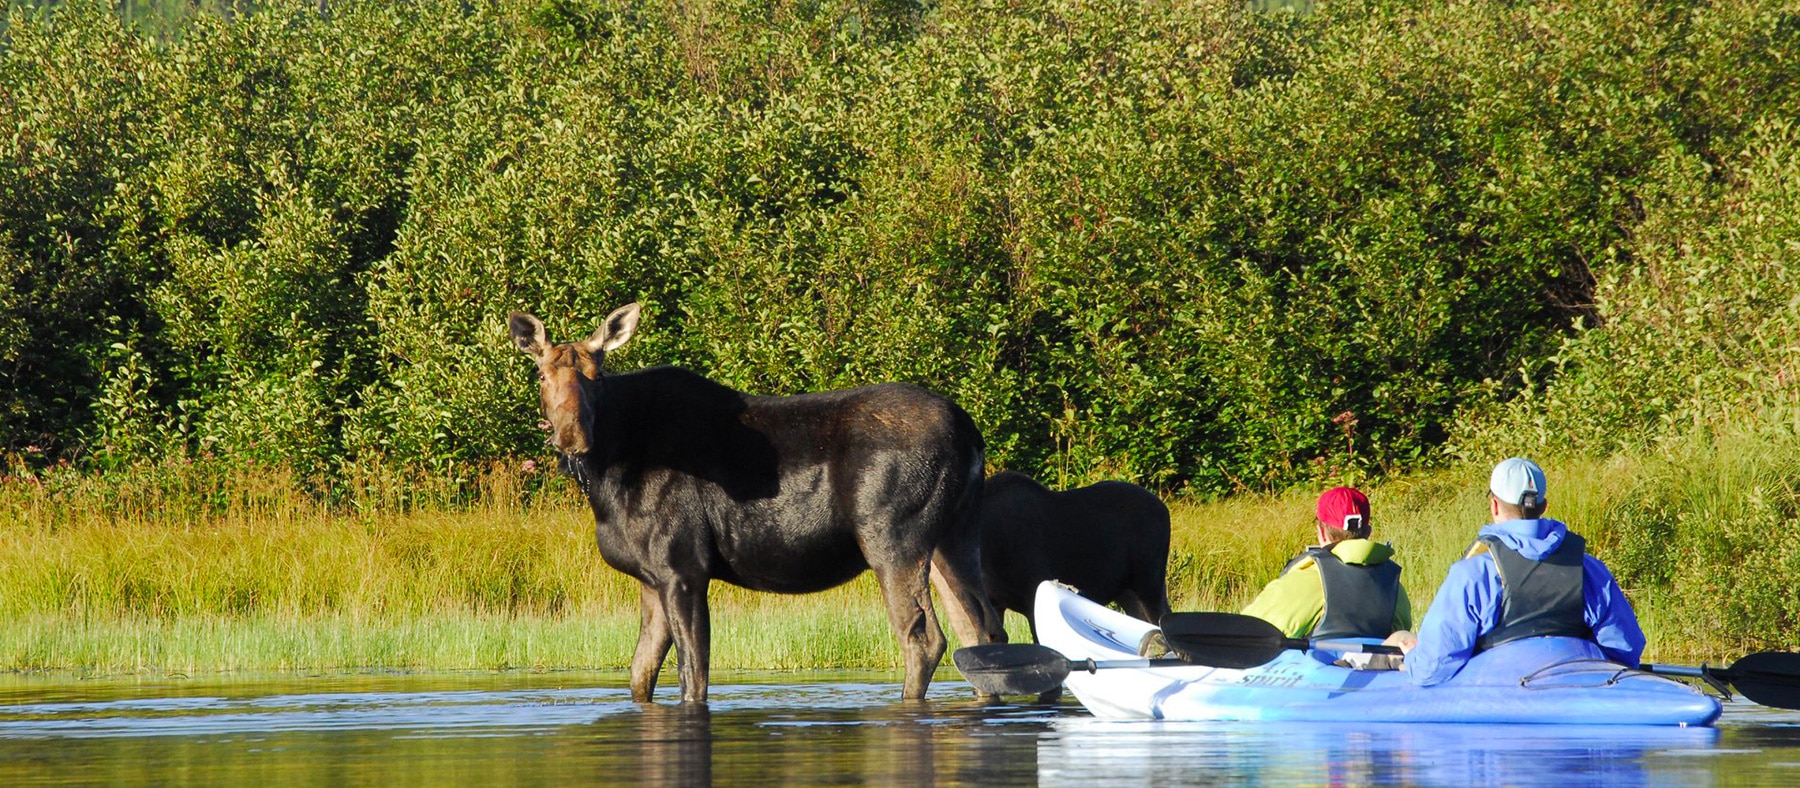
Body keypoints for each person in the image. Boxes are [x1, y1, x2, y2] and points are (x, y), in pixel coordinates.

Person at [1390, 457, 1646, 685]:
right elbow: (1626, 648)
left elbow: (1432, 668)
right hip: (1581, 684)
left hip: (1500, 687)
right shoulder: (1589, 568)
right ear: (1543, 506)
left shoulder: (1473, 573)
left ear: (1494, 505)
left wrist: (1412, 658)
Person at [1239, 486, 1413, 643]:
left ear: (1321, 532)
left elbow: (1248, 632)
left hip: (1318, 676)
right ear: (1368, 532)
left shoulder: (1307, 579)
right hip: (1375, 675)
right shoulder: (1393, 585)